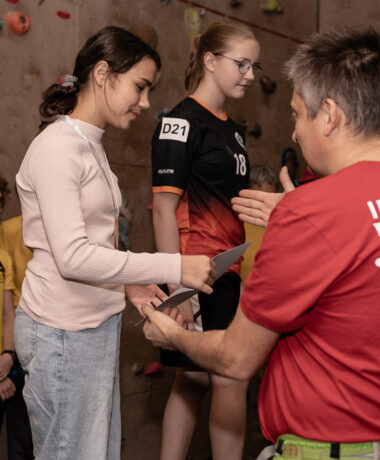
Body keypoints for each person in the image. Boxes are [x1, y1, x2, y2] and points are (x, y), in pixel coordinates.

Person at [143, 27, 380, 460]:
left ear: (328, 115)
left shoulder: (314, 212)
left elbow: (236, 359)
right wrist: (306, 215)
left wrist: (172, 335)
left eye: (296, 115)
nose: (294, 133)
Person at [14, 26, 215, 460]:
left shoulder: (90, 144)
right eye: (140, 87)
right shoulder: (58, 148)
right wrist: (173, 267)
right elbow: (72, 258)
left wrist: (129, 285)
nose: (146, 102)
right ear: (103, 74)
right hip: (62, 333)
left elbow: (92, 243)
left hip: (92, 329)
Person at [151, 21, 260, 460]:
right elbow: (163, 209)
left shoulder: (233, 130)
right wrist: (175, 287)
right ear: (211, 61)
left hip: (226, 269)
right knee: (229, 376)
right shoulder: (179, 122)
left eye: (254, 67)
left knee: (194, 377)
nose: (249, 75)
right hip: (195, 271)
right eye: (242, 64)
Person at [0, 177, 34, 460]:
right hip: (15, 358)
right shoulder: (8, 232)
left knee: (26, 443)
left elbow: (6, 309)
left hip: (17, 356)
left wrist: (7, 357)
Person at [240, 164, 277, 284]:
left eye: (270, 198)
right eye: (259, 197)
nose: (264, 204)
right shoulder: (235, 225)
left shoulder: (278, 227)